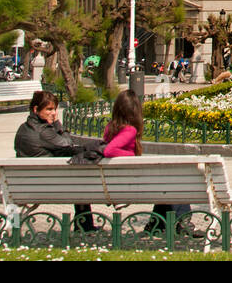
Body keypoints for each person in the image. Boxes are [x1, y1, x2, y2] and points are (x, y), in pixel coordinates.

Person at [101, 89, 191, 234]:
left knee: (166, 184)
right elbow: (109, 151)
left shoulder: (110, 127)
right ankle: (184, 223)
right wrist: (131, 156)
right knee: (174, 182)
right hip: (128, 184)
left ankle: (156, 225)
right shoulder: (129, 130)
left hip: (113, 183)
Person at [14, 90, 103, 231]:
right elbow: (68, 143)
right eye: (49, 109)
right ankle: (84, 225)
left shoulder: (23, 129)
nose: (53, 113)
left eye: (54, 109)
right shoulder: (44, 131)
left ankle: (13, 226)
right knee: (79, 180)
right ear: (36, 109)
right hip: (48, 186)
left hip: (23, 186)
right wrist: (57, 124)